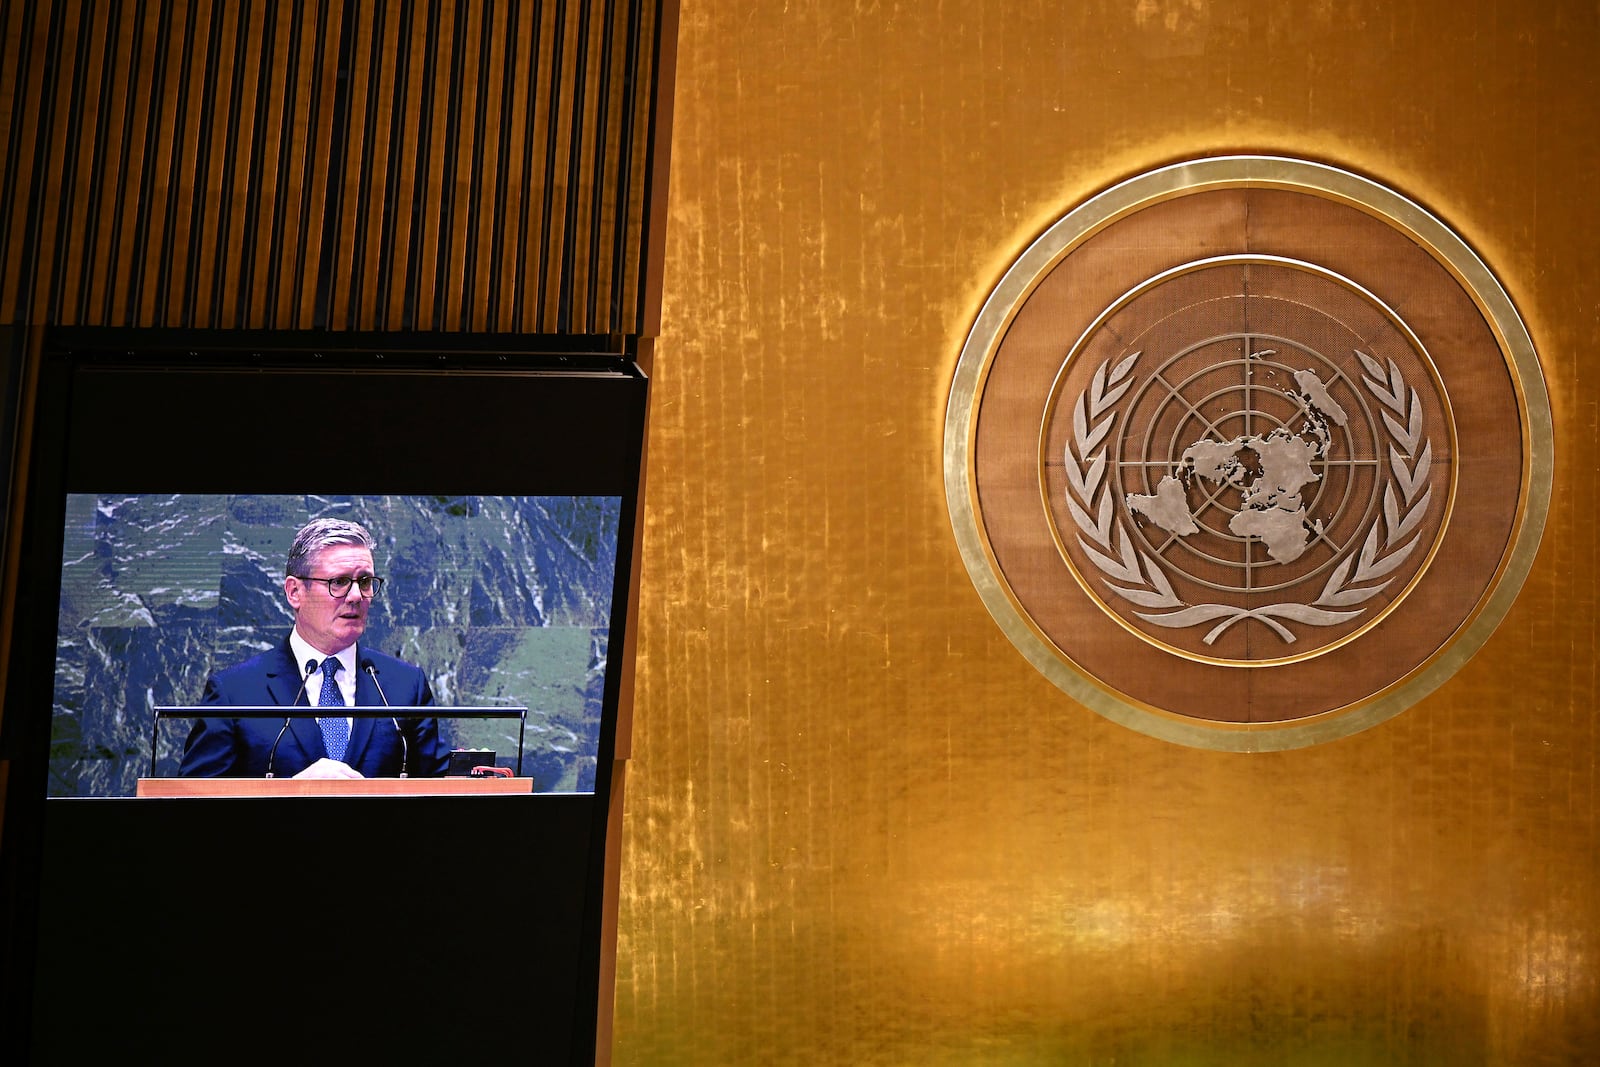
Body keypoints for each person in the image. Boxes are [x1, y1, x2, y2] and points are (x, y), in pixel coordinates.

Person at [180, 518, 451, 778]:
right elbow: (193, 802)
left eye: (365, 582)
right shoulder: (235, 692)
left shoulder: (404, 686)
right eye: (339, 582)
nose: (356, 596)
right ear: (294, 592)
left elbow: (440, 791)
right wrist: (290, 794)